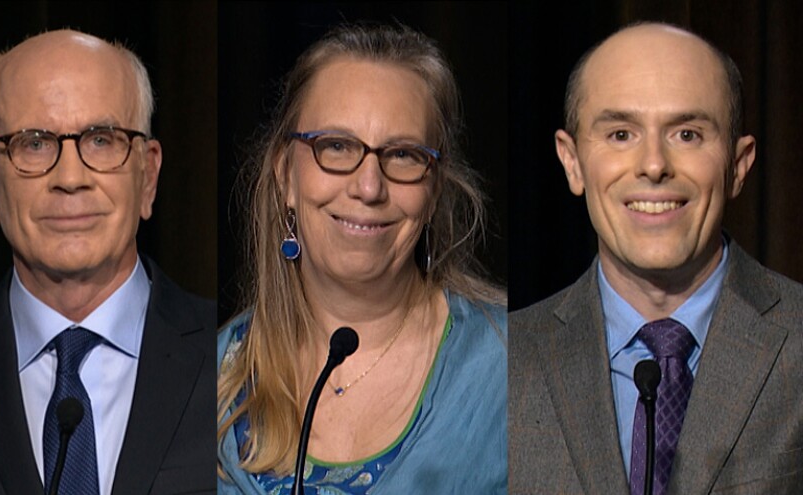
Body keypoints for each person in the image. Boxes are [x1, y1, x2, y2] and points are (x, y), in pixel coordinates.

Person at [509, 22, 803, 494]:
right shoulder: (503, 360)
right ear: (572, 162)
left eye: (687, 134)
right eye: (621, 134)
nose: (653, 164)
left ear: (738, 166)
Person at [217, 23, 508, 494]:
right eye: (335, 146)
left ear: (433, 190)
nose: (369, 187)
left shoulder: (509, 369)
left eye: (403, 155)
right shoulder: (212, 376)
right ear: (286, 176)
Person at [0, 30, 218, 494]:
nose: (71, 178)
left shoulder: (241, 362)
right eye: (34, 144)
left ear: (148, 176)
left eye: (101, 140)